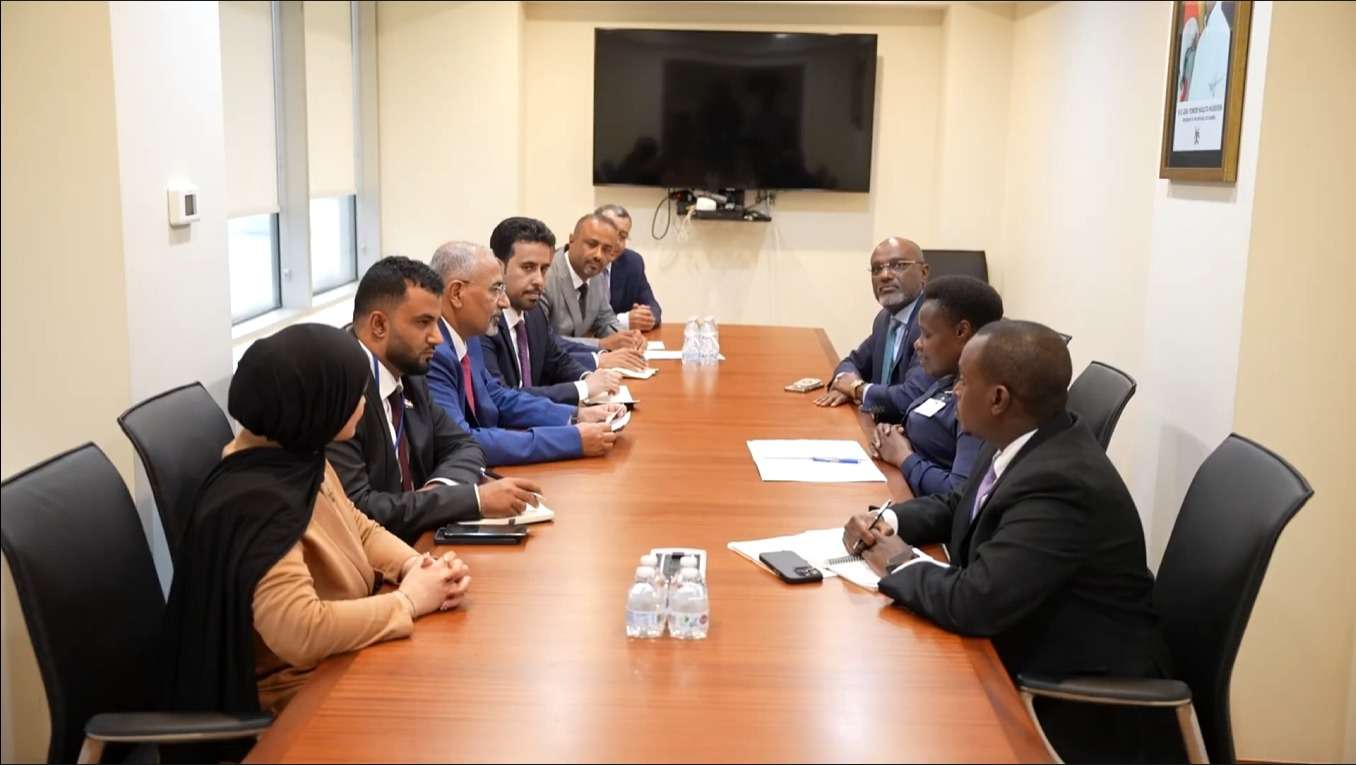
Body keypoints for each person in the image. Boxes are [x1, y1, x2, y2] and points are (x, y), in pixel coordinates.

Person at [842, 320, 1178, 762]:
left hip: (1081, 699)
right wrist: (887, 520)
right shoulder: (1023, 435)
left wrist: (897, 561)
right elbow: (960, 503)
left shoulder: (1061, 485)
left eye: (964, 380)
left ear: (998, 399)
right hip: (1023, 638)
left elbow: (974, 602)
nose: (954, 390)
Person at [161, 324, 472, 761]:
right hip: (295, 700)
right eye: (353, 394)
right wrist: (407, 602)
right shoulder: (258, 504)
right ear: (313, 404)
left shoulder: (297, 457)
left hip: (336, 663)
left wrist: (416, 567)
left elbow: (358, 526)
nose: (363, 404)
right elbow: (298, 629)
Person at [327, 256, 541, 542]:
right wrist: (471, 500)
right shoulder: (338, 391)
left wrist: (438, 494)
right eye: (424, 323)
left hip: (420, 545)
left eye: (437, 323)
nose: (437, 338)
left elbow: (465, 445)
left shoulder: (409, 376)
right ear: (378, 325)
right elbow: (360, 510)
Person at [426, 241, 625, 466]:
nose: (504, 302)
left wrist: (576, 415)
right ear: (456, 293)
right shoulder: (433, 353)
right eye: (495, 289)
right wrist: (571, 439)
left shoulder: (468, 336)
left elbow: (497, 398)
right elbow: (463, 441)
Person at [866, 276, 1003, 497]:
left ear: (961, 332)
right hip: (898, 486)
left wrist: (904, 457)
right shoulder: (949, 379)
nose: (917, 344)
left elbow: (960, 494)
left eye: (927, 334)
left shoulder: (977, 402)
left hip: (918, 506)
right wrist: (894, 435)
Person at [480, 216, 625, 405]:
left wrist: (588, 378)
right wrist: (583, 389)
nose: (539, 280)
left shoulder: (534, 313)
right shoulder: (483, 322)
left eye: (544, 269)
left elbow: (556, 359)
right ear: (498, 267)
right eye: (528, 267)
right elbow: (500, 398)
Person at [815, 237, 933, 410]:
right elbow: (852, 362)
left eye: (898, 265)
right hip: (877, 421)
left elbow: (912, 396)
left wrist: (856, 389)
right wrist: (844, 385)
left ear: (923, 273)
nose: (885, 276)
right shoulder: (884, 319)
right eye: (877, 269)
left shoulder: (933, 324)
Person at [539, 212, 647, 353]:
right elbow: (542, 339)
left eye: (607, 250)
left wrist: (629, 338)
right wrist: (600, 344)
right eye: (592, 244)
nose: (598, 255)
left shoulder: (597, 274)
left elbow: (605, 320)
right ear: (571, 241)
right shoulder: (544, 276)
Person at [595, 204, 663, 330]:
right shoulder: (582, 261)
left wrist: (644, 317)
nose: (616, 242)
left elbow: (653, 307)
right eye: (610, 233)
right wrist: (624, 321)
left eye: (622, 236)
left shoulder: (632, 263)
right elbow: (580, 326)